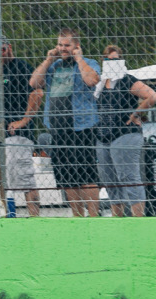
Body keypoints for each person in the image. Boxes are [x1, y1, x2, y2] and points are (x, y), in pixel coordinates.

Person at [30, 28, 102, 216]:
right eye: (60, 45)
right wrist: (48, 60)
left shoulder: (89, 63)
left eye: (67, 45)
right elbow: (34, 83)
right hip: (57, 126)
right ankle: (78, 216)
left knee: (86, 175)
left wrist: (79, 59)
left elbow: (92, 80)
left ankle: (94, 217)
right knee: (66, 176)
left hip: (81, 125)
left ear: (76, 46)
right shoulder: (54, 66)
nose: (62, 48)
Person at [93, 45, 156, 217]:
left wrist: (136, 113)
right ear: (103, 61)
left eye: (116, 59)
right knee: (110, 181)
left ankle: (138, 220)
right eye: (109, 59)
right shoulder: (100, 83)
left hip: (125, 133)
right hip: (103, 135)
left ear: (122, 61)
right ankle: (117, 219)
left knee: (128, 178)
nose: (112, 63)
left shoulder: (127, 79)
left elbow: (151, 95)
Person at [0, 35, 44, 217]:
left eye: (2, 49)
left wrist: (24, 120)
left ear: (9, 47)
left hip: (16, 133)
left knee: (23, 178)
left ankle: (34, 217)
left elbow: (37, 93)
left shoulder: (22, 67)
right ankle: (4, 215)